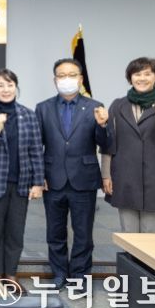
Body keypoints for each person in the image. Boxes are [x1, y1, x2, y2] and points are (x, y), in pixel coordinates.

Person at [35, 58, 111, 290]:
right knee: (54, 232)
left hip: (84, 178)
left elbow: (105, 144)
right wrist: (38, 176)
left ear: (80, 79)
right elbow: (36, 146)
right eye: (61, 75)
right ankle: (59, 273)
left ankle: (80, 275)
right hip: (52, 178)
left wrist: (103, 126)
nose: (66, 79)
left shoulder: (95, 106)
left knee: (83, 233)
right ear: (55, 80)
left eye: (71, 75)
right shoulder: (43, 108)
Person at [0, 69, 44, 286]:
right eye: (1, 86)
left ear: (16, 87)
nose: (6, 90)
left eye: (10, 85)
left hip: (21, 184)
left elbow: (36, 150)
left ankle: (11, 274)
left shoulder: (28, 115)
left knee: (16, 232)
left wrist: (38, 182)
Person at [102, 57, 155, 233]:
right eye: (137, 74)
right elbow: (109, 141)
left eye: (147, 74)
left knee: (150, 234)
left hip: (154, 176)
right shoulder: (118, 105)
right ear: (130, 78)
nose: (142, 78)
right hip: (124, 176)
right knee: (128, 233)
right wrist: (106, 175)